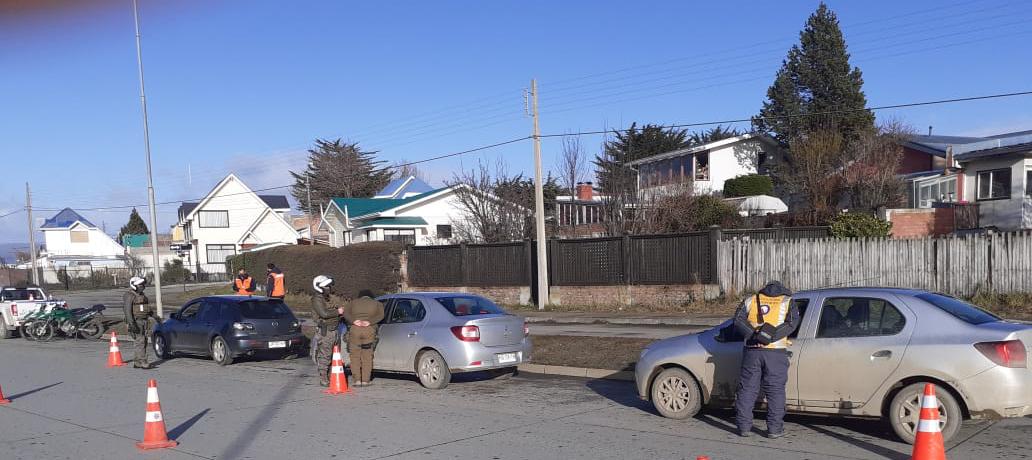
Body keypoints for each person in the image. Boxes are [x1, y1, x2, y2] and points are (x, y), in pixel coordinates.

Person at [733, 280, 799, 439]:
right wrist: (768, 337)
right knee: (775, 390)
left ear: (764, 289)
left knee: (747, 389)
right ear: (783, 289)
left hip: (752, 351)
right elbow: (792, 323)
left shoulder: (751, 299)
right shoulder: (787, 301)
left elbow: (738, 320)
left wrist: (754, 336)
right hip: (775, 352)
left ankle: (744, 428)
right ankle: (775, 430)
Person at [343, 289, 384, 387]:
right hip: (369, 330)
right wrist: (370, 321)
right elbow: (381, 315)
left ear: (360, 296)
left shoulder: (352, 303)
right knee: (367, 357)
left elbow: (345, 313)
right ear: (371, 296)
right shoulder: (377, 303)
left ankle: (357, 380)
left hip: (355, 330)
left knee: (355, 357)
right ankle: (365, 381)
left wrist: (354, 321)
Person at [310, 275, 343, 387]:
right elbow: (323, 314)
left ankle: (331, 375)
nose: (329, 288)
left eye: (329, 286)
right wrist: (338, 312)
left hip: (334, 329)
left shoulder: (328, 298)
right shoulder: (317, 299)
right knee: (325, 355)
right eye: (326, 286)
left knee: (334, 355)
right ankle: (323, 377)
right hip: (326, 330)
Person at [122, 276, 157, 369]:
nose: (142, 286)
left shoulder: (142, 295)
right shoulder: (129, 296)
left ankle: (137, 362)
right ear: (134, 285)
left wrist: (155, 316)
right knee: (140, 341)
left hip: (144, 321)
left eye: (142, 284)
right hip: (136, 321)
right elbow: (127, 311)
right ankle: (143, 361)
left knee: (141, 341)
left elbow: (146, 308)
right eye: (140, 284)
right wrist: (131, 324)